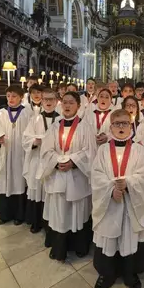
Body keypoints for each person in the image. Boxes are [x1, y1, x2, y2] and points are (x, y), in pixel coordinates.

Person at [91, 109, 144, 288]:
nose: (121, 127)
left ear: (131, 126)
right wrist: (110, 190)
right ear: (110, 127)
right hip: (109, 205)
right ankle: (106, 274)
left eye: (125, 123)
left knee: (129, 238)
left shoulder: (138, 150)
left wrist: (129, 183)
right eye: (117, 123)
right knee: (109, 239)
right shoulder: (103, 150)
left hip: (130, 205)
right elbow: (96, 175)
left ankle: (130, 273)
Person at [39, 92, 97, 261]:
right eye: (64, 102)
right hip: (58, 175)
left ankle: (80, 245)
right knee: (59, 211)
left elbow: (90, 152)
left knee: (77, 210)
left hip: (77, 177)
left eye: (71, 102)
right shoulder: (55, 126)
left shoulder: (85, 127)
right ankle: (59, 246)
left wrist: (73, 161)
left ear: (78, 106)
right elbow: (46, 150)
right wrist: (57, 162)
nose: (67, 105)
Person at [0, 85, 33, 225]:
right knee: (5, 181)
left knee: (19, 181)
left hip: (21, 154)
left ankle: (20, 215)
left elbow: (32, 132)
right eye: (8, 96)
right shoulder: (0, 113)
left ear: (21, 97)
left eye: (14, 96)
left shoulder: (28, 113)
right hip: (5, 153)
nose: (11, 99)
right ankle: (4, 214)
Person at [22, 87, 60, 233]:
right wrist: (34, 142)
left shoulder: (61, 120)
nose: (48, 102)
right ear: (41, 101)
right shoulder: (35, 118)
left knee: (51, 192)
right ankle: (36, 222)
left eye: (51, 99)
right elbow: (26, 138)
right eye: (46, 99)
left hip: (53, 162)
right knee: (38, 190)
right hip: (38, 160)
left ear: (57, 101)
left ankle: (50, 223)